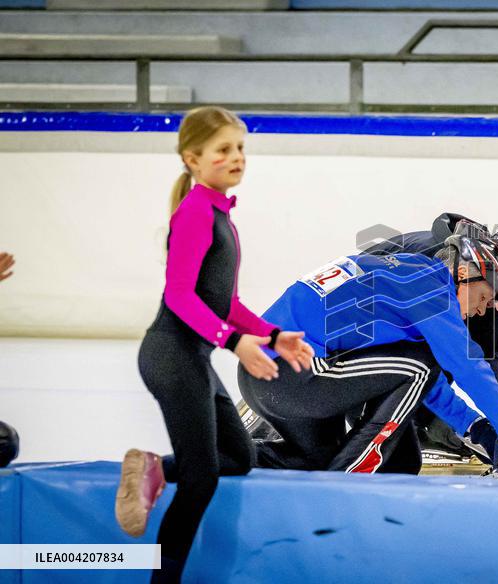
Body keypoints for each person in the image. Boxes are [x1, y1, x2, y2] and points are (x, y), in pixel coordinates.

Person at [114, 106, 314, 584]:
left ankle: (151, 467)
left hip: (191, 356)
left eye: (240, 148)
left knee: (240, 458)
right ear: (193, 158)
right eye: (224, 150)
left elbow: (226, 300)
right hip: (170, 354)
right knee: (201, 477)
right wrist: (234, 341)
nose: (237, 157)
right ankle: (163, 580)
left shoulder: (219, 213)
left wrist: (270, 335)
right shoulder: (194, 213)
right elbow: (179, 296)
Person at [238, 213, 498, 470]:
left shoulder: (412, 272)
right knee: (422, 366)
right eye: (485, 297)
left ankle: (218, 452)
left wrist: (478, 429)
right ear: (466, 270)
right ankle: (346, 477)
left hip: (272, 371)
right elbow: (469, 368)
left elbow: (423, 382)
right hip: (289, 373)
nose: (484, 310)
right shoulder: (432, 290)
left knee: (387, 461)